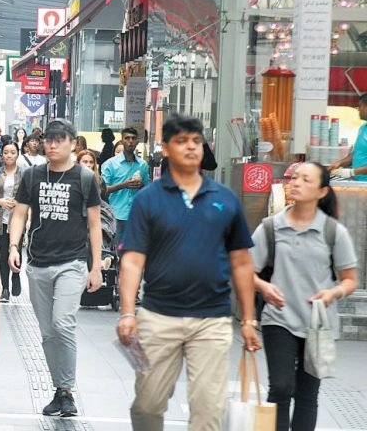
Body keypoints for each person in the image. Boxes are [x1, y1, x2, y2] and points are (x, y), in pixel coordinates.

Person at [116, 114, 261, 431]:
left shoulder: (224, 199)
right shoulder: (147, 199)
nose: (192, 147)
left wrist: (249, 319)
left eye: (197, 141)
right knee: (146, 405)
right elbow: (133, 260)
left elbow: (241, 262)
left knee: (208, 410)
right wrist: (127, 313)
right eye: (182, 141)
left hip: (212, 320)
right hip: (157, 317)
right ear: (166, 149)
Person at [250, 162, 357, 431]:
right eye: (294, 178)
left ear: (322, 191)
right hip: (279, 318)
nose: (296, 183)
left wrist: (333, 292)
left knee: (307, 395)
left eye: (305, 180)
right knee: (281, 388)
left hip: (317, 323)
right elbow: (244, 271)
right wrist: (263, 287)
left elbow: (350, 280)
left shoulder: (334, 231)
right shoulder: (270, 228)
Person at [8, 119, 103, 417]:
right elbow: (20, 214)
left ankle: (68, 390)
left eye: (59, 139)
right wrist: (13, 246)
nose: (51, 144)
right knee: (48, 333)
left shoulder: (85, 178)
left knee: (63, 323)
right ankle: (59, 390)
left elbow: (95, 224)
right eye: (48, 139)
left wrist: (96, 267)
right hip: (38, 263)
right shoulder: (33, 175)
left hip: (72, 263)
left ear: (73, 143)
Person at [0, 142, 25, 302]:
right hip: (0, 218)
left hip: (19, 218)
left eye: (13, 152)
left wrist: (20, 204)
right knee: (3, 253)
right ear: (2, 154)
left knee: (16, 250)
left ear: (18, 154)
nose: (9, 155)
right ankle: (5, 289)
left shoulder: (24, 174)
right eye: (6, 152)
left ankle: (16, 275)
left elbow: (29, 195)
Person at [101, 127, 150, 247]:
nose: (130, 141)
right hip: (116, 215)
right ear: (122, 141)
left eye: (133, 138)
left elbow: (149, 190)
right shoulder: (110, 164)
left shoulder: (143, 165)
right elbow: (103, 191)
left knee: (134, 252)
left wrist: (142, 185)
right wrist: (123, 185)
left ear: (137, 142)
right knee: (115, 252)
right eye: (127, 138)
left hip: (136, 216)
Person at [328, 93, 367, 180]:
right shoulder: (362, 128)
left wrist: (352, 172)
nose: (358, 110)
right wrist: (339, 163)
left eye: (360, 106)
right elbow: (356, 153)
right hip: (357, 181)